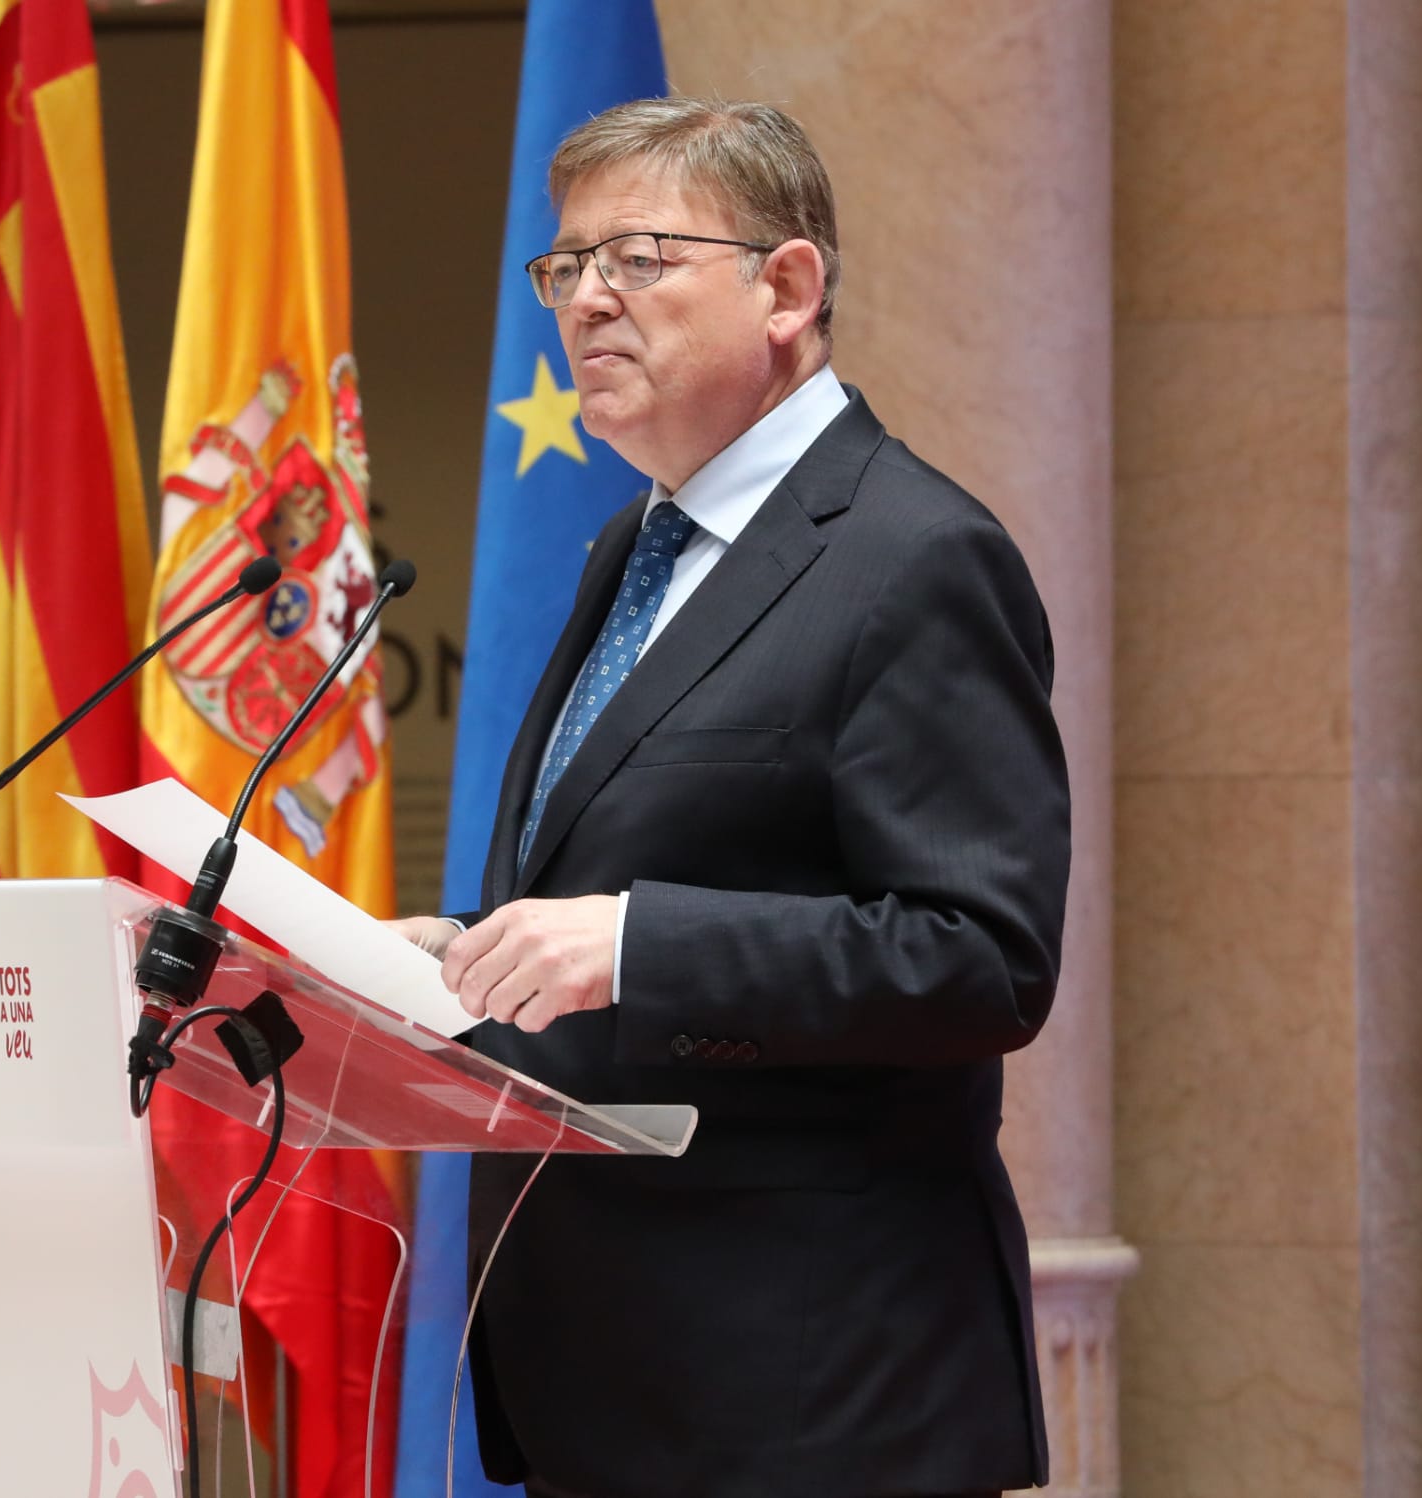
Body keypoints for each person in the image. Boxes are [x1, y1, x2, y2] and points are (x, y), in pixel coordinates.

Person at [393, 98, 1071, 1498]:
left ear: (789, 286)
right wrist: (463, 948)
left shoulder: (912, 555)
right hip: (613, 1382)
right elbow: (658, 865)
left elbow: (981, 955)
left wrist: (634, 944)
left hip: (816, 1396)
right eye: (564, 265)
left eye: (638, 258)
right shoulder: (631, 546)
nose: (584, 300)